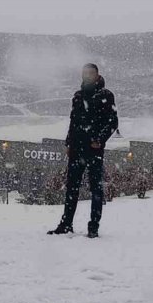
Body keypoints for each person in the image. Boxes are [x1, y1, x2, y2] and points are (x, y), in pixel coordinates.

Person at [48, 63, 118, 238]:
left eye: (90, 73)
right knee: (72, 187)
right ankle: (66, 224)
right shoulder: (78, 96)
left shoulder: (106, 95)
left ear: (97, 75)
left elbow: (112, 122)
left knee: (96, 188)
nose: (87, 76)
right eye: (84, 73)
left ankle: (93, 227)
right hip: (77, 149)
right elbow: (73, 122)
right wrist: (68, 143)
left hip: (94, 149)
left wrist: (99, 140)